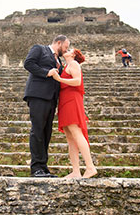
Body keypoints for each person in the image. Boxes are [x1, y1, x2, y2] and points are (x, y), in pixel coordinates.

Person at [23, 35, 70, 178]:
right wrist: (46, 72)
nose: (66, 50)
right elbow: (28, 64)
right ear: (59, 43)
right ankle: (36, 167)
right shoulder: (40, 49)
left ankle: (43, 167)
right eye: (66, 47)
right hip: (38, 95)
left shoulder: (58, 61)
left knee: (46, 133)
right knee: (37, 131)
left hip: (51, 99)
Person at [51, 49, 97, 178]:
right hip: (65, 100)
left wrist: (59, 79)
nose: (66, 50)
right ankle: (76, 171)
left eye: (70, 49)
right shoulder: (66, 65)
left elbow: (77, 81)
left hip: (72, 100)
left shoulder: (74, 64)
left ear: (73, 55)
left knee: (76, 133)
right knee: (70, 138)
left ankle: (90, 167)